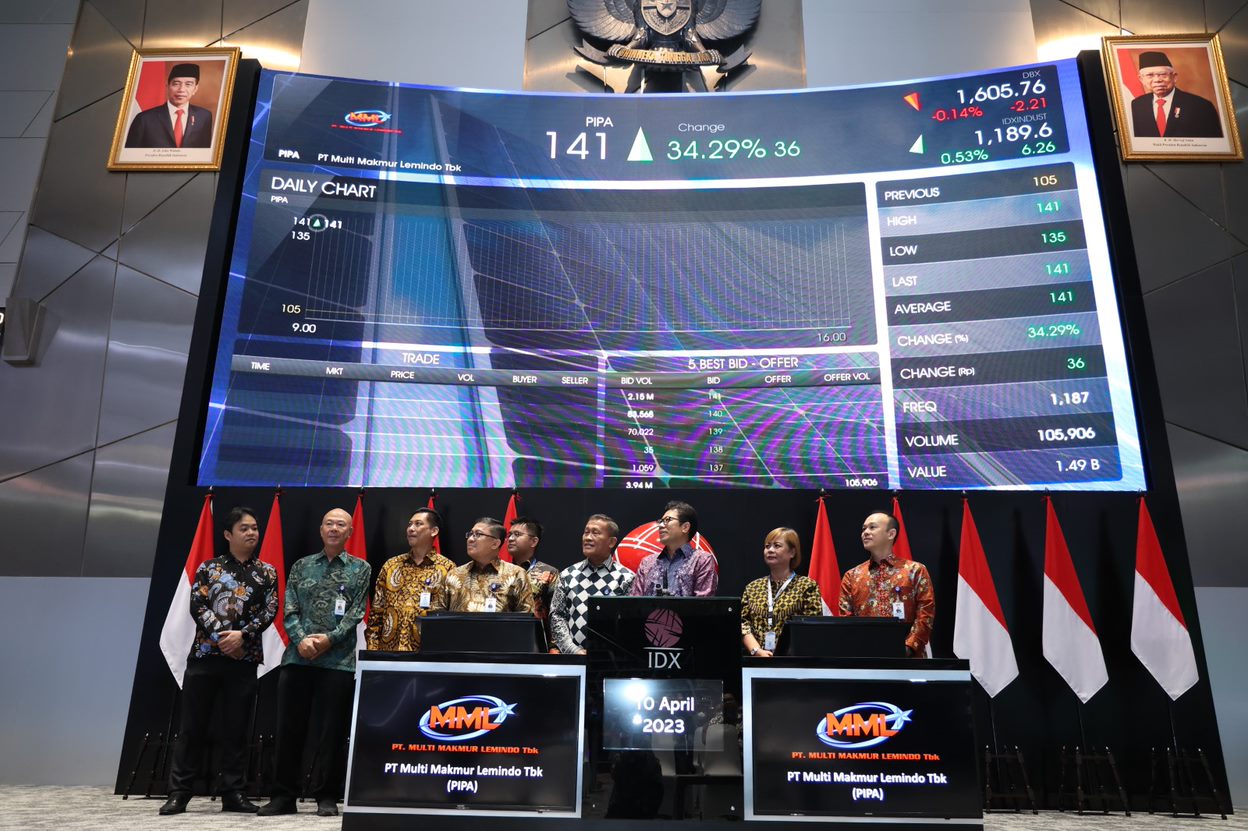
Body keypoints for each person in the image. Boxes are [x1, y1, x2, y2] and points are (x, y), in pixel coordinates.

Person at [159, 507, 277, 815]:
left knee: (236, 730)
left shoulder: (267, 572)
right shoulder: (208, 568)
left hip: (244, 659)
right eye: (244, 528)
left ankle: (233, 793)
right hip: (205, 658)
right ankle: (179, 792)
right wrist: (224, 638)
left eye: (255, 528)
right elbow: (198, 605)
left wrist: (242, 637)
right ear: (228, 534)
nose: (252, 533)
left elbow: (270, 610)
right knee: (192, 728)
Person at [258, 508, 371, 817]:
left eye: (341, 525)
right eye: (329, 523)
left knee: (331, 733)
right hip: (298, 659)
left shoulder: (361, 568)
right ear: (321, 529)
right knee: (289, 730)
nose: (334, 528)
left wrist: (329, 639)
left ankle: (326, 795)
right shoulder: (302, 565)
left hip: (338, 662)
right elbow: (289, 608)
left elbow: (356, 611)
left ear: (349, 533)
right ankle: (283, 796)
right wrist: (301, 639)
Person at [837, 511, 935, 656]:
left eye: (872, 527)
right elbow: (846, 620)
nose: (865, 532)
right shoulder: (852, 576)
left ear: (891, 534)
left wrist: (908, 648)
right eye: (863, 529)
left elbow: (925, 614)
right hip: (865, 657)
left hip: (908, 659)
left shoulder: (915, 570)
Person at [365, 508, 455, 652]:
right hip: (388, 653)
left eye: (418, 524)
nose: (411, 529)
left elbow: (450, 619)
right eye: (409, 524)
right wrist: (372, 651)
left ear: (434, 531)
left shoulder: (448, 568)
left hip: (427, 654)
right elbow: (376, 614)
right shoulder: (391, 565)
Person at [550, 514, 636, 654]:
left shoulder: (626, 578)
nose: (588, 538)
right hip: (573, 658)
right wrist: (572, 650)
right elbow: (557, 615)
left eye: (595, 533)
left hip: (610, 659)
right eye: (586, 532)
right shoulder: (568, 574)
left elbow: (630, 623)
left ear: (611, 542)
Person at [740, 527, 822, 658]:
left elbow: (811, 626)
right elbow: (743, 623)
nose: (770, 550)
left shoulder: (807, 586)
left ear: (792, 552)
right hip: (757, 661)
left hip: (793, 661)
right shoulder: (752, 587)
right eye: (767, 546)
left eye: (777, 546)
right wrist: (756, 651)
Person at [442, 517, 534, 613]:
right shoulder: (454, 574)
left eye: (478, 534)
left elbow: (526, 616)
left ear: (495, 544)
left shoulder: (516, 574)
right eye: (470, 534)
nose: (470, 539)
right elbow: (439, 615)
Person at [630, 500, 717, 596]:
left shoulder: (702, 560)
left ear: (685, 527)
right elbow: (635, 601)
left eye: (667, 520)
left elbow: (703, 602)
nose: (660, 525)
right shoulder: (647, 563)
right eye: (661, 521)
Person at [1130, 50, 1222, 138]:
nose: (1157, 80)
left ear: (1174, 77)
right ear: (1141, 79)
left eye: (1163, 74)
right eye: (1150, 75)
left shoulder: (1201, 106)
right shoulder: (1137, 105)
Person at [125, 62, 214, 148]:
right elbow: (130, 153)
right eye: (176, 84)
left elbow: (205, 151)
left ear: (195, 89)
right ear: (167, 86)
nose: (181, 89)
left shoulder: (204, 116)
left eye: (188, 84)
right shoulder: (144, 119)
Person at [506, 516, 560, 648]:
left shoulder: (549, 572)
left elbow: (556, 615)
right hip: (503, 638)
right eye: (509, 535)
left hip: (535, 643)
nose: (511, 538)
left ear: (533, 541)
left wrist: (554, 647)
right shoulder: (500, 571)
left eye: (517, 534)